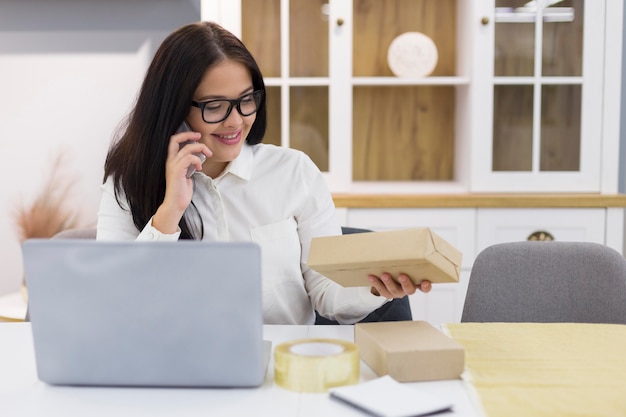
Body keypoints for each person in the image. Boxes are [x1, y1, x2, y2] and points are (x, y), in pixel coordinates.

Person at [97, 21, 431, 325]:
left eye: (246, 100)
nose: (235, 120)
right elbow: (118, 302)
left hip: (284, 366)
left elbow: (328, 296)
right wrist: (170, 211)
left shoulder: (293, 171)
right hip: (180, 365)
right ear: (173, 108)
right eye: (214, 106)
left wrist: (376, 288)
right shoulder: (128, 182)